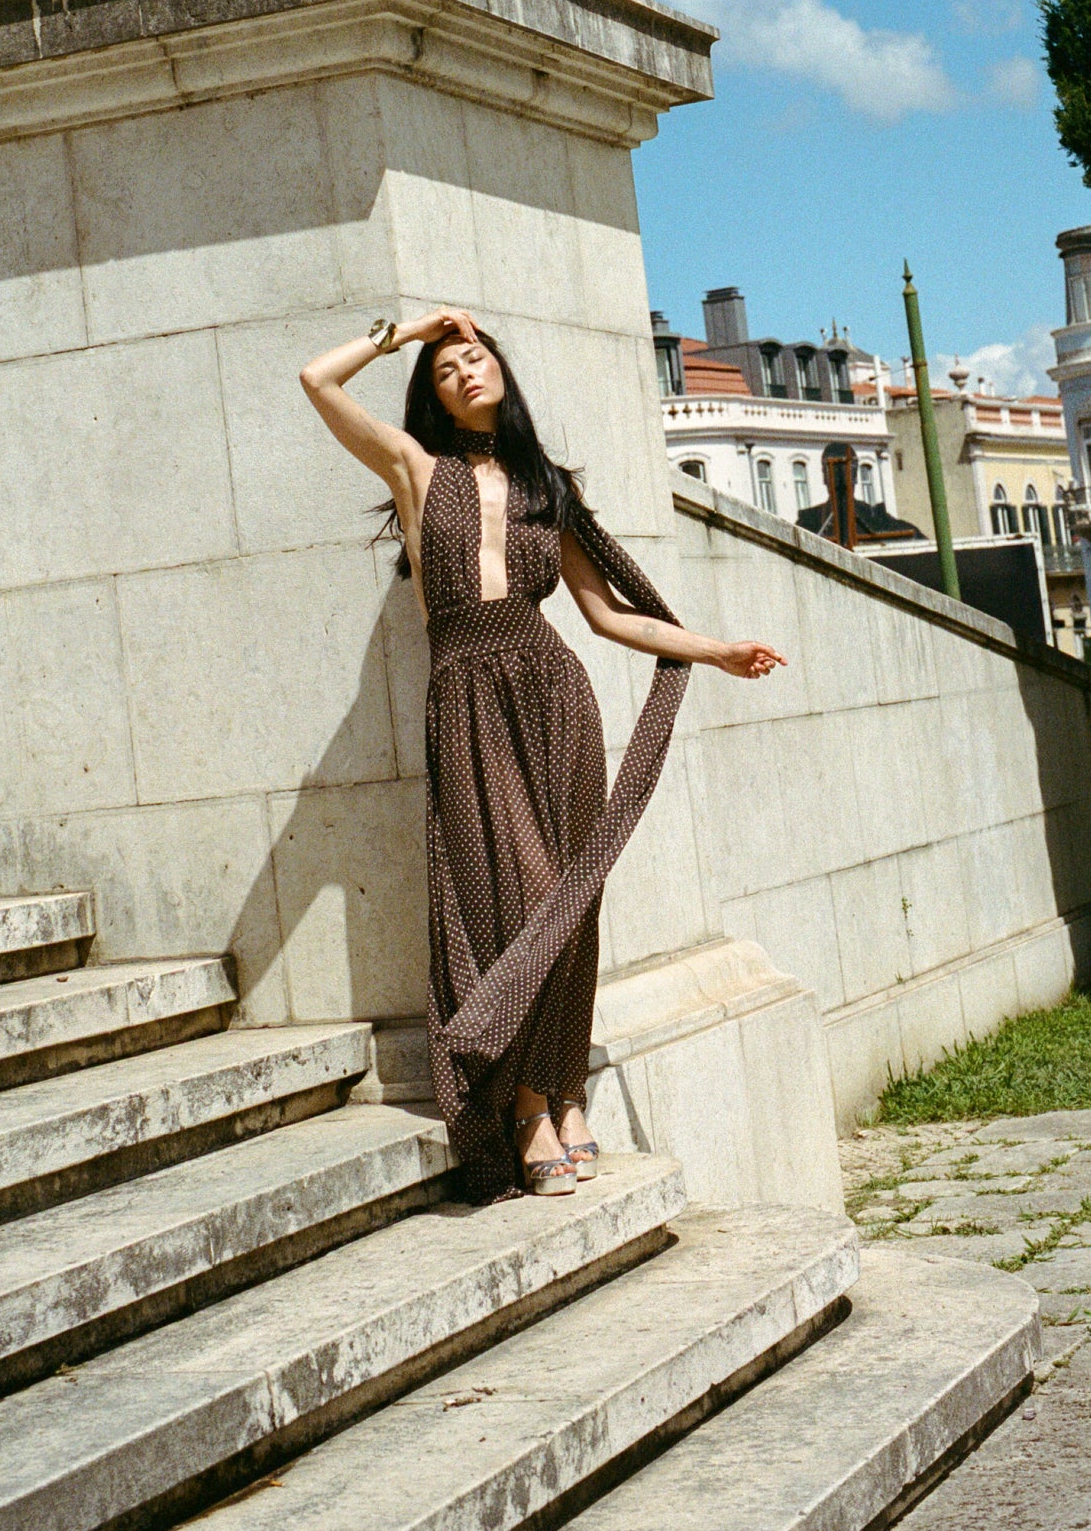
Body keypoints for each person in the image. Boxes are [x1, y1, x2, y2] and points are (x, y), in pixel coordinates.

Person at [301, 308, 785, 1201]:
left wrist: (712, 648)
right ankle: (523, 1105)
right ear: (432, 395)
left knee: (570, 904)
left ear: (503, 375)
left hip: (552, 694)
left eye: (475, 358)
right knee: (514, 899)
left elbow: (604, 614)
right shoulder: (416, 468)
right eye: (445, 369)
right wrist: (407, 330)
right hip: (466, 694)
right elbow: (317, 381)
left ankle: (556, 1095)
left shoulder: (544, 486)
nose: (463, 372)